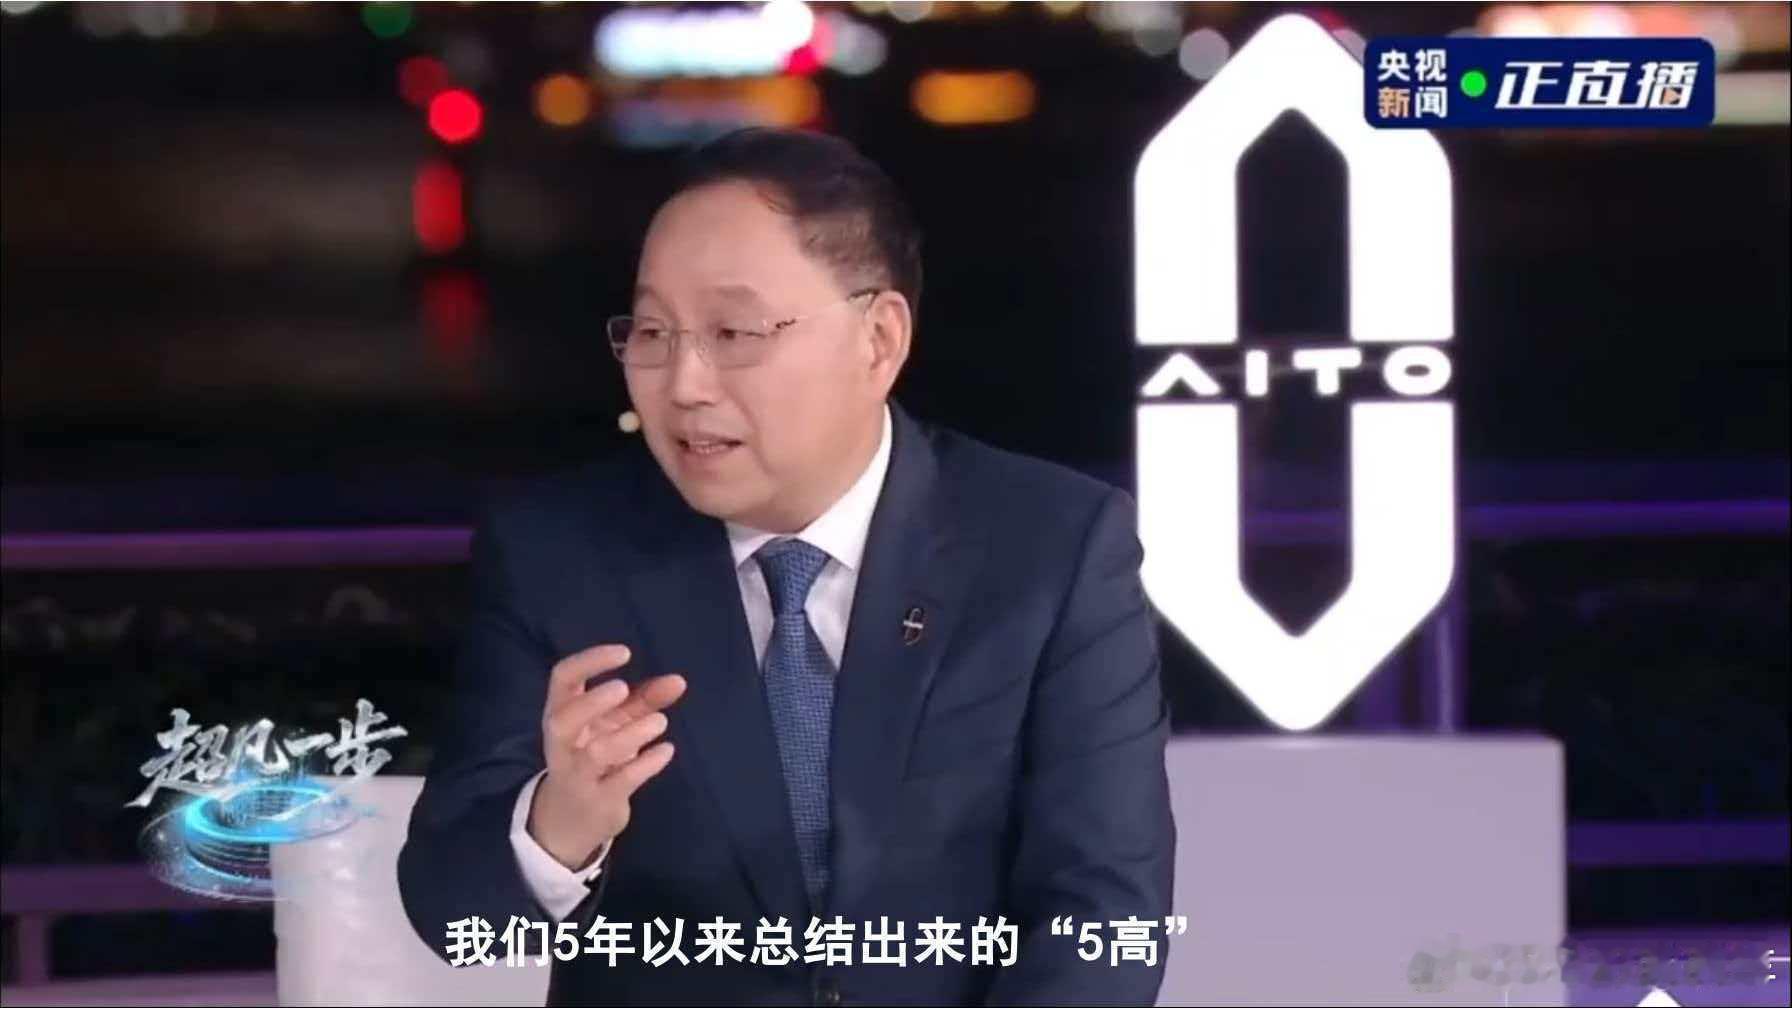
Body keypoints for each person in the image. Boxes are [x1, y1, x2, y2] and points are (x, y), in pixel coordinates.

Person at [398, 127, 1175, 1006]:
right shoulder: (560, 554)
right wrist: (559, 825)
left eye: (734, 331)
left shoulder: (1053, 547)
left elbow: (1102, 919)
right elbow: (452, 910)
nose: (683, 383)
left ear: (878, 340)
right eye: (652, 331)